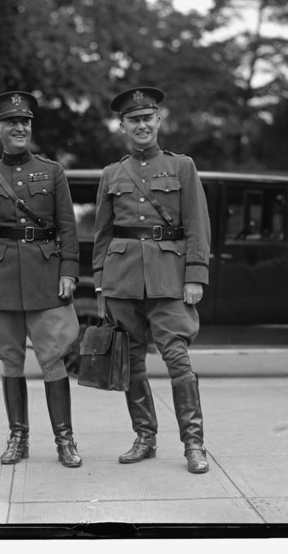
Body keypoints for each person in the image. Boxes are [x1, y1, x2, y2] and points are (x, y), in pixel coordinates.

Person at [92, 87, 211, 473]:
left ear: (159, 121)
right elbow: (103, 234)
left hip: (169, 277)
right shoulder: (112, 173)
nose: (141, 125)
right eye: (133, 120)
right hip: (122, 279)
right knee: (132, 361)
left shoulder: (182, 167)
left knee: (177, 359)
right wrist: (99, 284)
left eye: (148, 118)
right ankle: (145, 437)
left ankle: (194, 444)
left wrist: (195, 275)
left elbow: (197, 224)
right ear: (122, 125)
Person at [0, 91, 82, 468]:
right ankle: (19, 438)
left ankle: (65, 440)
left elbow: (67, 227)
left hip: (45, 277)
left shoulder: (52, 171)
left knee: (53, 358)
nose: (20, 128)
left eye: (25, 122)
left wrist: (68, 271)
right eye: (12, 123)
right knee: (10, 360)